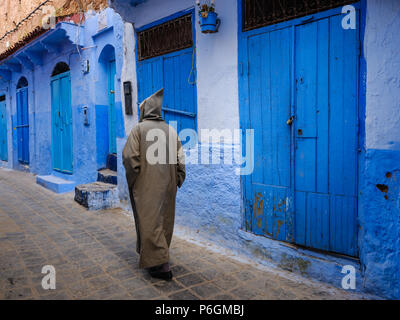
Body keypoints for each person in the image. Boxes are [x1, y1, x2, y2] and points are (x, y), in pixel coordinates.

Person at [122, 88, 186, 280]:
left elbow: (130, 159)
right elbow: (180, 160)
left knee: (150, 222)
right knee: (165, 221)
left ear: (145, 110)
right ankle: (158, 260)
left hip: (147, 185)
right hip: (169, 185)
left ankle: (161, 266)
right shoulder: (171, 130)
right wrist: (177, 180)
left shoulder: (139, 130)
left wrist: (134, 182)